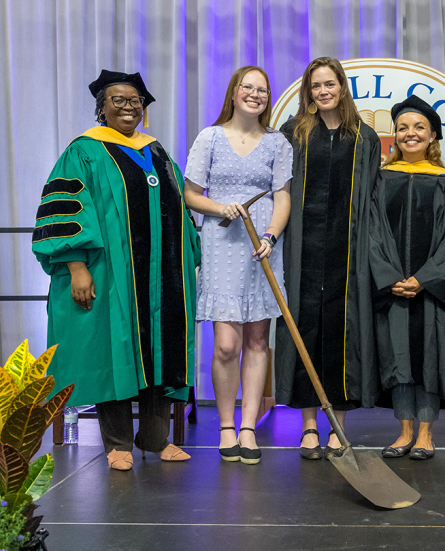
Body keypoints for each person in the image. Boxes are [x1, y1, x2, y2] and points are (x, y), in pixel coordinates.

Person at [33, 70, 199, 471]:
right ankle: (118, 442)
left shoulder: (156, 150)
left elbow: (179, 208)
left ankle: (156, 439)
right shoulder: (85, 150)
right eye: (119, 101)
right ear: (102, 107)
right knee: (115, 352)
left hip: (164, 279)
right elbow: (65, 212)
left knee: (162, 354)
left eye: (136, 101)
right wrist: (76, 267)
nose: (129, 107)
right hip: (111, 276)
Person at [183, 66, 292, 465]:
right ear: (233, 93)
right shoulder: (209, 138)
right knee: (227, 345)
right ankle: (226, 425)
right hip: (222, 240)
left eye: (262, 89)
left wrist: (271, 236)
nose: (254, 94)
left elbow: (282, 198)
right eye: (247, 87)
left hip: (261, 245)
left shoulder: (278, 143)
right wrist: (221, 206)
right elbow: (190, 194)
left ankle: (248, 427)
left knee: (257, 342)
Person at [276, 57, 381, 460]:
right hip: (301, 252)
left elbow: (371, 199)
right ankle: (307, 427)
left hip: (347, 255)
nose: (323, 92)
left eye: (329, 84)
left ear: (341, 87)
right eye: (316, 86)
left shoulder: (364, 137)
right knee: (305, 331)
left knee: (341, 335)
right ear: (309, 91)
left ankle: (337, 425)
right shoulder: (293, 133)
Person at [368, 95, 445, 460]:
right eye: (402, 128)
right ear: (393, 136)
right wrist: (391, 276)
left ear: (432, 137)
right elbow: (372, 232)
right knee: (398, 358)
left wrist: (425, 278)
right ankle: (404, 431)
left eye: (419, 128)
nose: (410, 134)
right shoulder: (380, 180)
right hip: (393, 287)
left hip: (430, 292)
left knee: (428, 358)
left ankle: (426, 434)